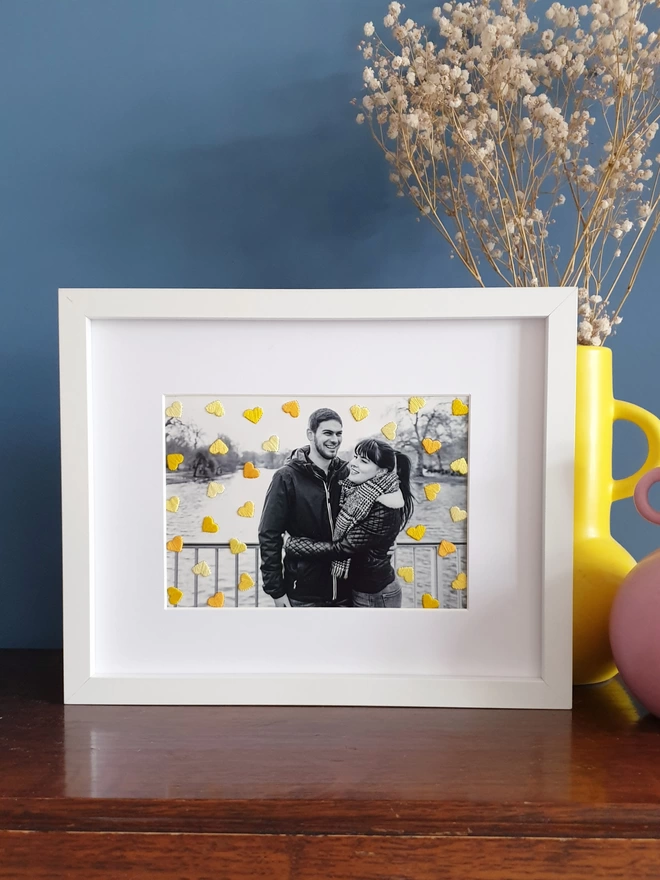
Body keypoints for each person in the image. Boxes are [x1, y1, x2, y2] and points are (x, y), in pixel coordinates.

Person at [284, 439, 414, 608]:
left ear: (381, 471)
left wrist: (293, 544)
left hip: (375, 593)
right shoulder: (360, 492)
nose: (353, 464)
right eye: (355, 457)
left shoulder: (384, 506)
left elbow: (342, 549)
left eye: (363, 461)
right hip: (360, 588)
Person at [258, 408, 350, 607]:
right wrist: (276, 591)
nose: (335, 439)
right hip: (304, 595)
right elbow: (269, 534)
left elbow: (373, 512)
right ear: (311, 434)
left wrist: (385, 542)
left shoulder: (348, 472)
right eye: (327, 433)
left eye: (339, 433)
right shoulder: (286, 477)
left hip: (348, 592)